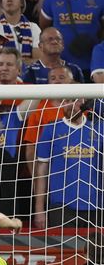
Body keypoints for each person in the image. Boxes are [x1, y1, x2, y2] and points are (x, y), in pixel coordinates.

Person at [33, 98, 103, 228]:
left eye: (74, 101)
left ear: (84, 103)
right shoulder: (51, 128)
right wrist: (39, 209)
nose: (70, 105)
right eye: (65, 101)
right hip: (61, 206)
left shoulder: (99, 128)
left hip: (96, 205)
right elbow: (41, 170)